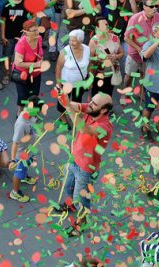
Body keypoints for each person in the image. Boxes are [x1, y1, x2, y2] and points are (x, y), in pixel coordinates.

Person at [54, 92, 113, 235]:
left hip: (86, 168)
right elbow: (75, 105)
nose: (90, 104)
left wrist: (67, 105)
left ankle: (82, 222)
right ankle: (71, 206)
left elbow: (84, 129)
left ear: (104, 110)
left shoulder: (105, 127)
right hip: (74, 159)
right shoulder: (92, 109)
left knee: (81, 198)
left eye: (94, 103)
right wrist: (64, 99)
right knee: (68, 187)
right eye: (91, 101)